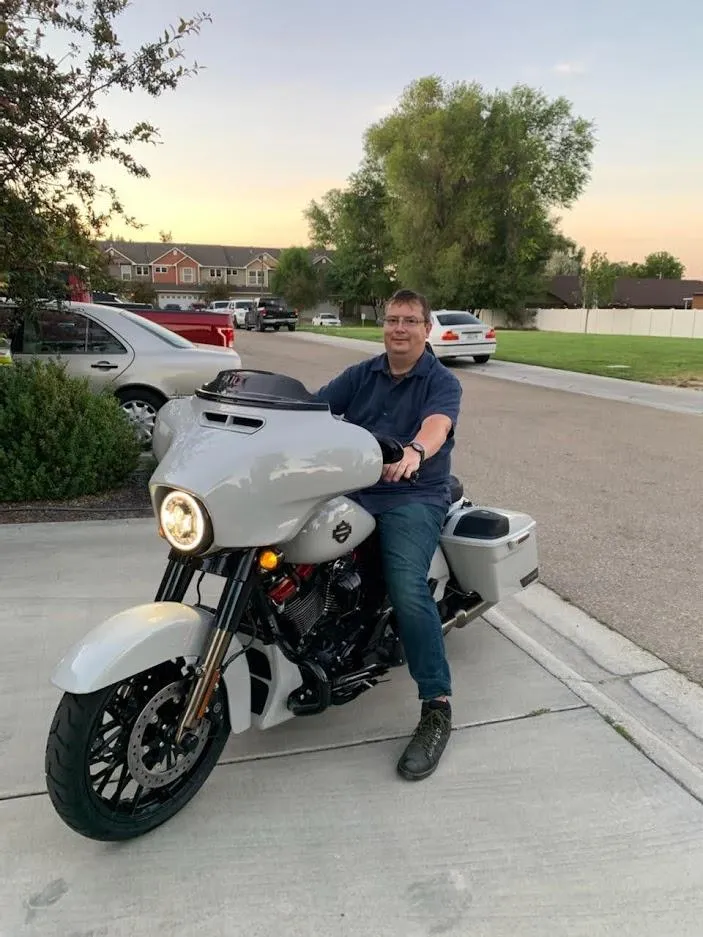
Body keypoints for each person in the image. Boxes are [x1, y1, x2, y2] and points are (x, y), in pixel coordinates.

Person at [315, 289, 462, 780]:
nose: (399, 329)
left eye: (410, 322)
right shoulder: (363, 374)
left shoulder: (440, 382)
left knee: (407, 587)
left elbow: (437, 425)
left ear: (426, 329)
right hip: (355, 489)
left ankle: (436, 704)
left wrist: (415, 451)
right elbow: (313, 409)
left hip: (413, 494)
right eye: (393, 320)